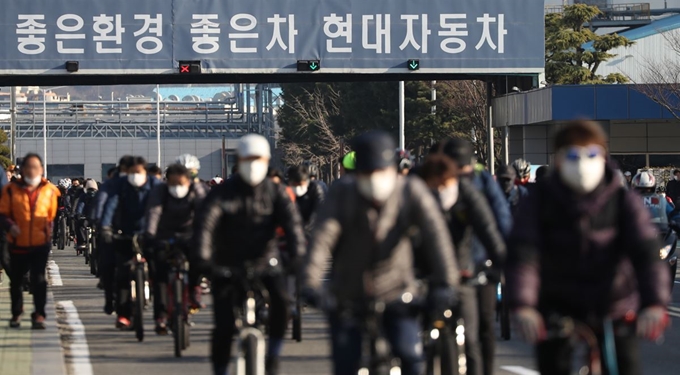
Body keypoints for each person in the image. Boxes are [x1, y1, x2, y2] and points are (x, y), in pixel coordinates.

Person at [506, 120, 671, 375]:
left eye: (591, 154)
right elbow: (524, 254)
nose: (582, 162)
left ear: (603, 156)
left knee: (626, 365)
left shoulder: (623, 199)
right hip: (557, 305)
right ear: (559, 159)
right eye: (573, 154)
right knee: (554, 362)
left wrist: (654, 303)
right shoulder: (540, 200)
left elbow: (646, 251)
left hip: (615, 304)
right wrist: (523, 305)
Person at [303, 131, 459, 375]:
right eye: (368, 173)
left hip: (398, 290)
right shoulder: (342, 194)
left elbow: (437, 238)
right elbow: (322, 239)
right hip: (348, 293)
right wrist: (310, 285)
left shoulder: (411, 191)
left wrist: (446, 284)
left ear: (393, 169)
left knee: (411, 356)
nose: (375, 179)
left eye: (382, 172)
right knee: (345, 363)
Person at [194, 134, 305, 375]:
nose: (253, 164)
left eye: (258, 159)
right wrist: (204, 260)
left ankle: (274, 353)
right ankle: (221, 369)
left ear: (267, 161)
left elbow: (293, 227)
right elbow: (205, 227)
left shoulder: (276, 193)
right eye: (248, 158)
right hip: (227, 263)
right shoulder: (221, 193)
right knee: (223, 325)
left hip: (266, 260)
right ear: (239, 160)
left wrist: (298, 259)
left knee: (282, 301)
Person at [418, 139, 506, 375]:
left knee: (471, 337)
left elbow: (492, 228)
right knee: (415, 337)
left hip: (466, 269)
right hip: (427, 271)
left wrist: (504, 264)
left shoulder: (472, 189)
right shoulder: (417, 188)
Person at [145, 164, 208, 334]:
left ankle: (195, 289)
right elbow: (154, 213)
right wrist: (150, 234)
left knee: (199, 260)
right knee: (160, 277)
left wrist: (206, 235)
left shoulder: (197, 191)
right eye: (174, 183)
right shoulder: (160, 191)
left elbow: (205, 214)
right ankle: (161, 317)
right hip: (165, 235)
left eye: (181, 183)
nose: (178, 187)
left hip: (190, 235)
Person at [0, 154, 60, 329]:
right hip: (17, 242)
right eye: (29, 167)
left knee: (39, 279)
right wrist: (11, 226)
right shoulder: (10, 190)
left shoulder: (49, 190)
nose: (32, 170)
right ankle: (17, 312)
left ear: (41, 169)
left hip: (40, 243)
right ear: (23, 169)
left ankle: (39, 314)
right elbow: (3, 213)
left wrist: (48, 232)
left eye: (36, 167)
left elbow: (51, 215)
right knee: (17, 280)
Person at [100, 156, 160, 329]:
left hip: (149, 234)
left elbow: (160, 208)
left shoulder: (155, 186)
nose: (135, 175)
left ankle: (160, 312)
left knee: (158, 270)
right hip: (125, 233)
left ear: (145, 172)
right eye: (131, 172)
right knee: (123, 274)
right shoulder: (122, 186)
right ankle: (123, 313)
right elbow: (111, 205)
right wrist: (105, 226)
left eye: (138, 172)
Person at [93, 156, 135, 315]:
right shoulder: (112, 184)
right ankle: (109, 297)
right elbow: (102, 204)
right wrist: (102, 224)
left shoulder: (145, 184)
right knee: (108, 263)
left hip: (137, 230)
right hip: (113, 228)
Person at [287, 165, 325, 237]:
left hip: (312, 232)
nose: (297, 187)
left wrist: (304, 229)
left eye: (300, 184)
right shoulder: (285, 192)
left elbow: (318, 212)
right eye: (294, 184)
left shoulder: (315, 189)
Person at [75, 179, 99, 253]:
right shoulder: (100, 195)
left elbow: (80, 206)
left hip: (87, 218)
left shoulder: (83, 196)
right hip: (97, 219)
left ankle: (82, 242)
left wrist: (78, 214)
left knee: (79, 225)